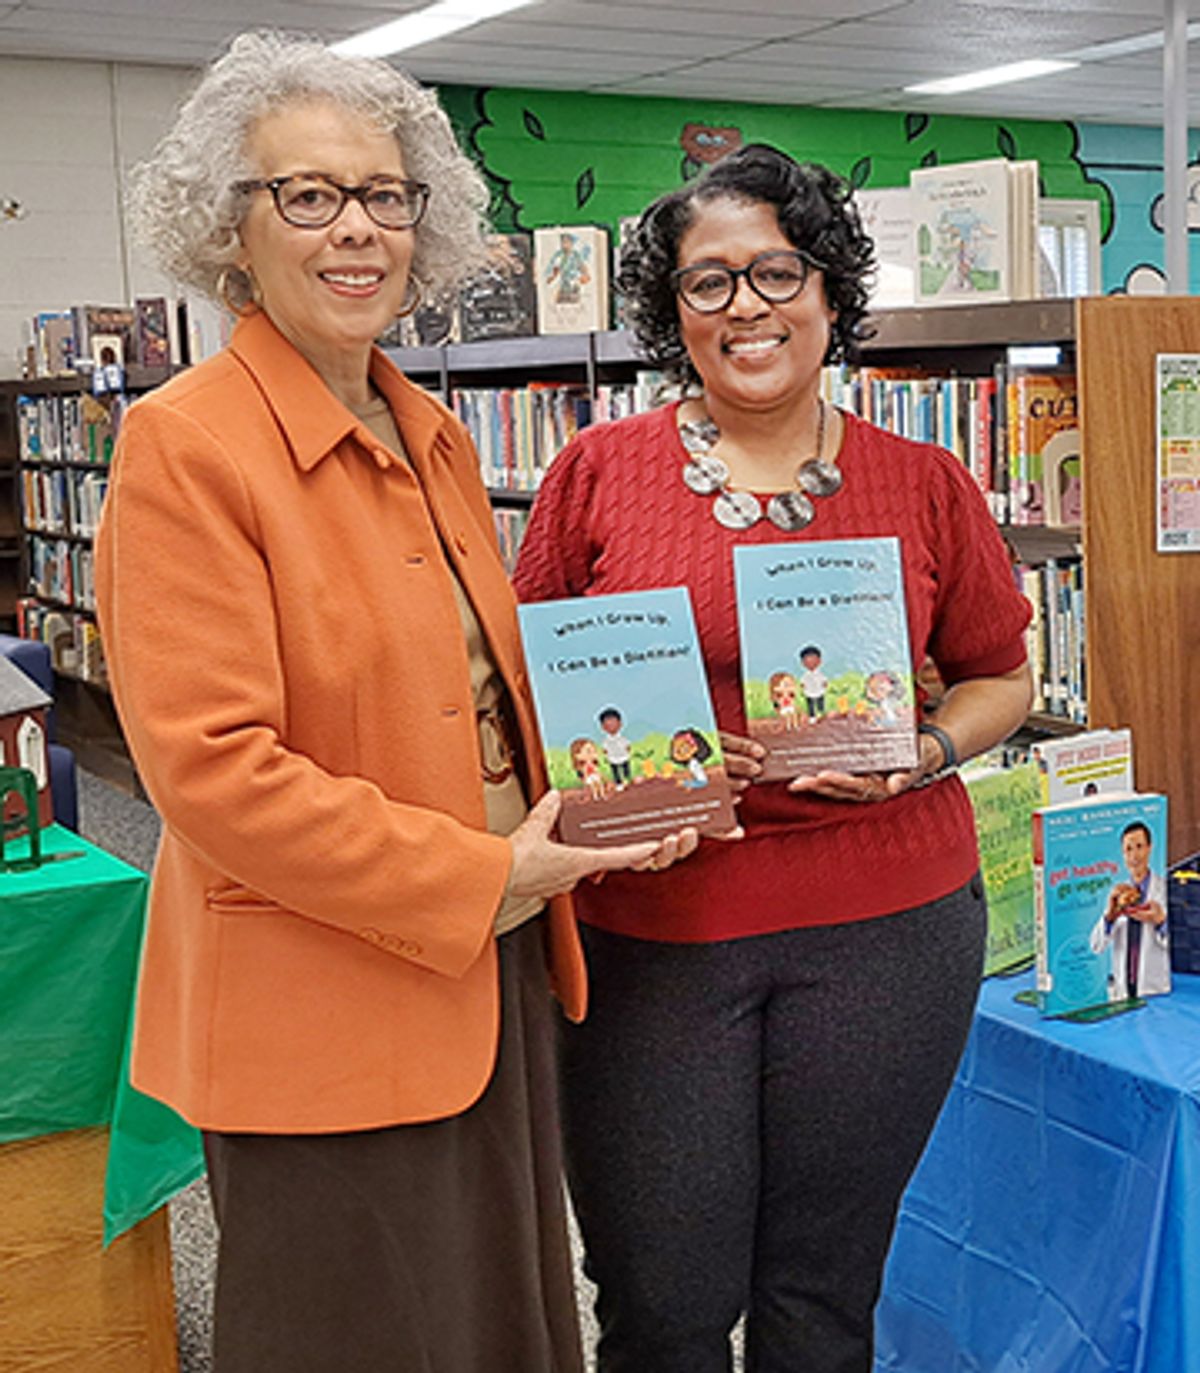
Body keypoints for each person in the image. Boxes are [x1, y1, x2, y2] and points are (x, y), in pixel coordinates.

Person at [94, 31, 699, 1373]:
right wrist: (487, 872)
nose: (355, 229)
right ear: (231, 230)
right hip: (325, 1005)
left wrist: (631, 775)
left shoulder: (419, 426)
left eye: (386, 194)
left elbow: (471, 689)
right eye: (307, 195)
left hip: (489, 977)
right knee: (359, 1330)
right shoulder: (185, 446)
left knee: (495, 1322)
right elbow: (213, 773)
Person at [514, 143, 1035, 1373]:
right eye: (707, 283)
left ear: (830, 295)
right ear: (671, 313)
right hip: (657, 924)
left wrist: (924, 747)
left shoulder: (924, 480)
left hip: (888, 928)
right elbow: (524, 672)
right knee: (661, 1294)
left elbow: (1001, 672)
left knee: (822, 1295)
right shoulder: (597, 472)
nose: (745, 305)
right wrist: (639, 751)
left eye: (775, 272)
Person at [1089, 820, 1170, 999]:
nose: (1135, 856)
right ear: (1123, 855)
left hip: (1154, 992)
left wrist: (1161, 922)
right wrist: (1109, 917)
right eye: (1128, 849)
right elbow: (1096, 946)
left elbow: (1180, 951)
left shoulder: (1165, 891)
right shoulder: (1119, 896)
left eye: (1139, 846)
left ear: (1150, 848)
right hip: (1123, 993)